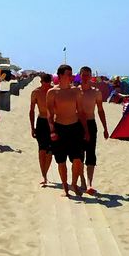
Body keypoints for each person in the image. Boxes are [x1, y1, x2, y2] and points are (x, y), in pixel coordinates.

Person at [46, 65, 89, 198]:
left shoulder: (76, 91)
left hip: (74, 127)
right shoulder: (52, 92)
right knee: (61, 160)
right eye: (68, 74)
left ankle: (74, 183)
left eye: (71, 74)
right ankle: (65, 187)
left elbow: (81, 112)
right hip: (60, 127)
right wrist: (52, 129)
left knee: (77, 159)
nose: (71, 76)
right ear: (60, 76)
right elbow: (49, 113)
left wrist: (86, 130)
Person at [77, 66, 109, 196]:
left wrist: (105, 128)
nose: (85, 77)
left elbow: (100, 110)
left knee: (91, 154)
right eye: (83, 75)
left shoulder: (96, 92)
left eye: (87, 75)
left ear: (91, 77)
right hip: (77, 125)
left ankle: (90, 183)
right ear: (80, 76)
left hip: (91, 123)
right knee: (78, 155)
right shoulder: (75, 91)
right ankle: (82, 180)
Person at [29, 73, 54, 186]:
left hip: (52, 122)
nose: (47, 85)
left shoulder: (54, 91)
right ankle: (44, 175)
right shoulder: (36, 92)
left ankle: (45, 173)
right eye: (45, 83)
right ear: (41, 82)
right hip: (41, 121)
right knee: (42, 149)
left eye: (48, 83)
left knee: (50, 150)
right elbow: (31, 110)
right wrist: (32, 127)